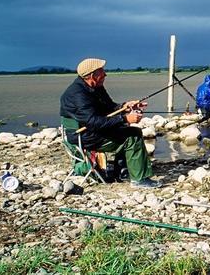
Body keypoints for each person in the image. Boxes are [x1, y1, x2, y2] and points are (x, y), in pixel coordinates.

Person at [60, 58, 161, 188]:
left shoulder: (95, 86)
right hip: (83, 136)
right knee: (133, 135)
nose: (105, 74)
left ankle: (123, 172)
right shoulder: (78, 94)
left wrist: (126, 106)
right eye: (102, 71)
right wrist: (125, 119)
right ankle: (139, 180)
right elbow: (92, 122)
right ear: (92, 75)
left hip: (90, 131)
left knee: (126, 130)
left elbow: (110, 107)